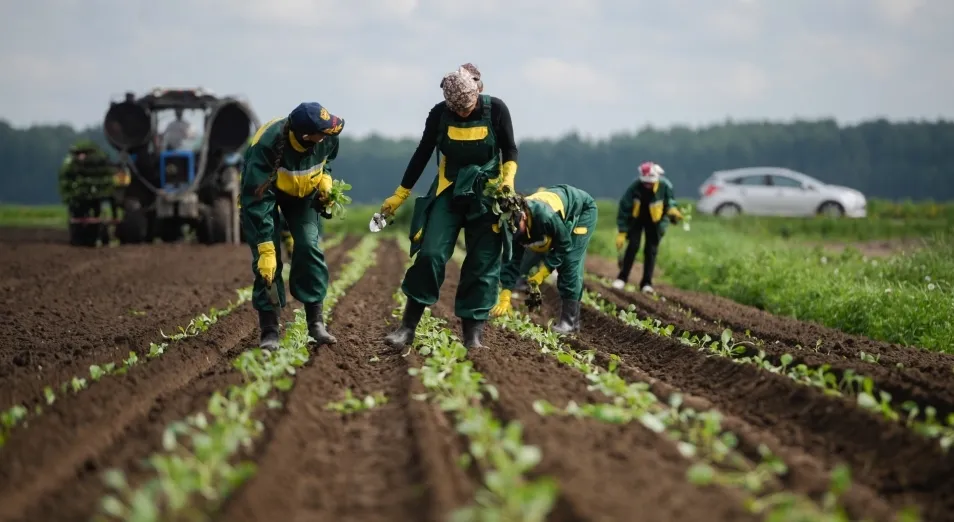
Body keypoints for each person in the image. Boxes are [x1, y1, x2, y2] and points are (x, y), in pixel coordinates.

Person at [381, 66, 519, 350]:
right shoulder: (439, 114)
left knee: (482, 264)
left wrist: (507, 181)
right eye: (458, 110)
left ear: (477, 92)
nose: (463, 114)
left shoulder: (496, 110)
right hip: (449, 188)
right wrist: (400, 193)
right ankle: (407, 327)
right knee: (431, 254)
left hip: (488, 193)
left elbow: (510, 149)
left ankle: (473, 337)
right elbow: (422, 152)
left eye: (467, 109)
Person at [240, 102, 345, 350]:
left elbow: (325, 163)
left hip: (304, 195)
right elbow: (257, 202)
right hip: (263, 197)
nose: (329, 134)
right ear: (306, 136)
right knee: (268, 262)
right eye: (323, 131)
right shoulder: (265, 147)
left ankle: (316, 323)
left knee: (309, 247)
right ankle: (270, 329)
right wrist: (265, 249)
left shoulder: (327, 138)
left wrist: (326, 182)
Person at [489, 184, 598, 334]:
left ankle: (570, 323)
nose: (514, 232)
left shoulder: (545, 216)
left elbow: (564, 245)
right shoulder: (513, 224)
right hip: (559, 211)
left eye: (517, 227)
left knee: (570, 262)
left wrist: (543, 272)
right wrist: (505, 294)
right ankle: (572, 323)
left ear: (524, 216)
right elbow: (512, 259)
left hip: (582, 210)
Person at [613, 161, 683, 293]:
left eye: (649, 183)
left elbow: (670, 202)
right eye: (645, 182)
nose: (647, 185)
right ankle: (622, 278)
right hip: (637, 220)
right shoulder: (635, 186)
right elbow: (624, 207)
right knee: (633, 246)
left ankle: (646, 283)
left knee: (650, 250)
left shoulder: (664, 186)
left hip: (655, 222)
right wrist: (622, 231)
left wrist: (673, 210)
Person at [58, 140, 121, 246]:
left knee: (94, 211)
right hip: (83, 198)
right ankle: (85, 236)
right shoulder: (72, 165)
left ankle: (92, 235)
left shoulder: (97, 164)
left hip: (89, 197)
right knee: (83, 212)